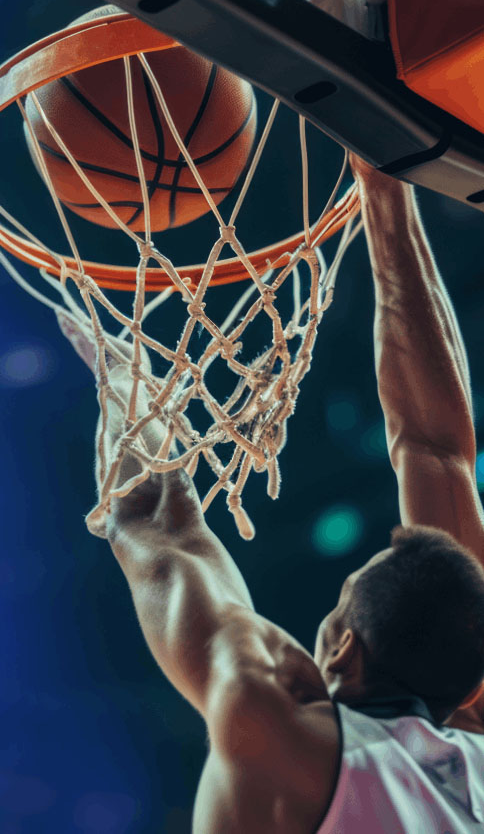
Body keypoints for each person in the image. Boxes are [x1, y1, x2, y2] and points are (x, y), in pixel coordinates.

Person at [58, 152, 484, 832]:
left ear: (343, 651)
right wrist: (386, 189)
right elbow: (438, 454)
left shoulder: (279, 737)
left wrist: (125, 382)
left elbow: (150, 523)